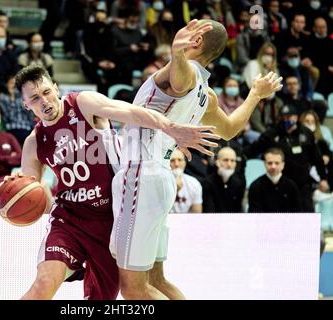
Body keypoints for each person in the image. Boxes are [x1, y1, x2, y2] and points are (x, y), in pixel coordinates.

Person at [0, 65, 218, 300]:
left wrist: (172, 128)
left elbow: (133, 113)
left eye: (46, 92)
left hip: (113, 220)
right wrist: (15, 191)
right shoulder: (35, 142)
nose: (44, 101)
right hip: (69, 221)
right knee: (44, 283)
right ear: (26, 105)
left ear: (55, 88)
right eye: (34, 98)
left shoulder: (82, 104)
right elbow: (32, 191)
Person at [110, 19, 283, 300]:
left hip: (141, 176)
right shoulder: (207, 94)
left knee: (132, 288)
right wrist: (254, 95)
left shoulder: (186, 72)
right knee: (158, 280)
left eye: (194, 27)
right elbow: (229, 128)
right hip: (161, 179)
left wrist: (177, 52)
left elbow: (179, 81)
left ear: (198, 40)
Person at [248, 148, 301, 213]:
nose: (273, 166)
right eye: (270, 163)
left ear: (283, 165)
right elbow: (254, 213)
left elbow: (297, 212)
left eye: (277, 163)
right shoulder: (255, 186)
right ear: (264, 164)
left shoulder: (291, 186)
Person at [169, 149, 202, 213]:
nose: (176, 164)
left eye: (180, 160)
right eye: (172, 160)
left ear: (185, 163)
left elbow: (197, 214)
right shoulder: (158, 183)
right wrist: (173, 192)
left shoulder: (194, 183)